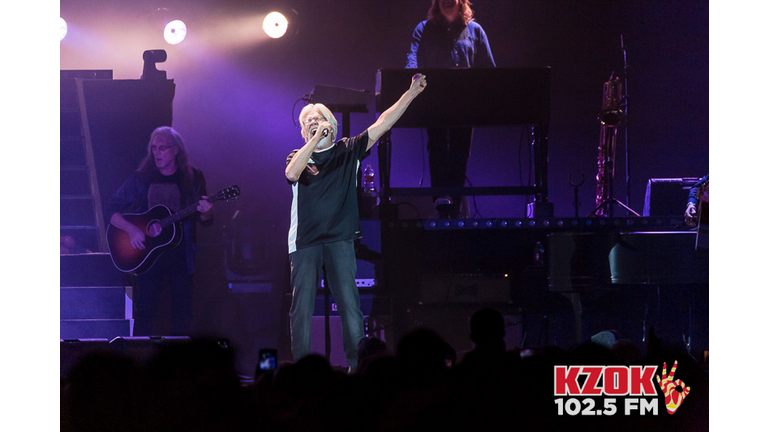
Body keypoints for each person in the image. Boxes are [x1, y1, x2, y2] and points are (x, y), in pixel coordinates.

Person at [285, 74, 428, 371]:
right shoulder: (298, 156)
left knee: (350, 305)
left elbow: (383, 123)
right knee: (301, 309)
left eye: (318, 118)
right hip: (304, 241)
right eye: (308, 122)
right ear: (303, 131)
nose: (313, 123)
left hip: (340, 238)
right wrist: (313, 142)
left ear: (330, 123)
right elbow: (291, 174)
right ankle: (302, 371)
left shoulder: (349, 150)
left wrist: (411, 93)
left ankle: (357, 367)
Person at [104, 126, 214, 336]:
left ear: (176, 150)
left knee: (182, 314)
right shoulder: (141, 178)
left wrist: (208, 212)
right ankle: (139, 353)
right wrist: (131, 230)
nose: (157, 153)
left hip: (181, 256)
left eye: (162, 148)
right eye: (154, 148)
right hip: (147, 256)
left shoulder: (193, 177)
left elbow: (204, 219)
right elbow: (110, 208)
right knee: (145, 313)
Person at [406, 0, 495, 218]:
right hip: (434, 104)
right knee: (437, 147)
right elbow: (412, 62)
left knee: (460, 152)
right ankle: (441, 201)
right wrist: (410, 81)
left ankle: (454, 205)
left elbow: (490, 72)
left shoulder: (476, 31)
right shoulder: (423, 29)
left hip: (466, 106)